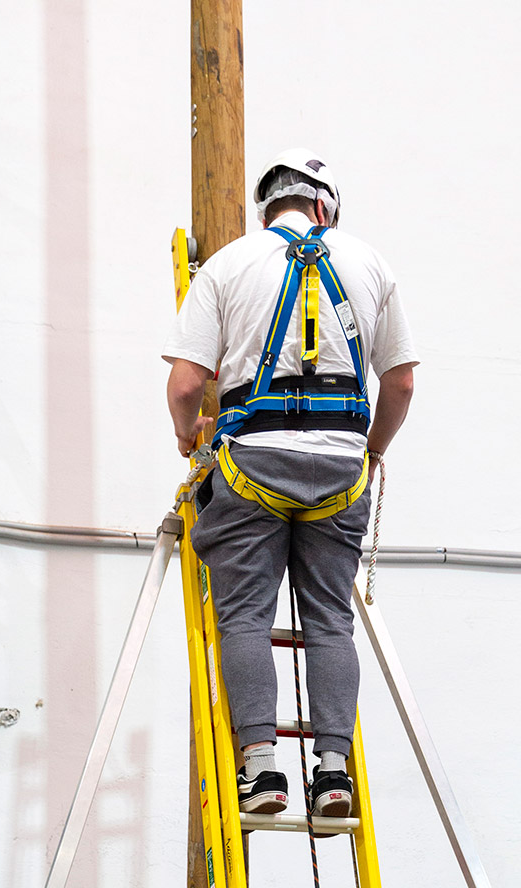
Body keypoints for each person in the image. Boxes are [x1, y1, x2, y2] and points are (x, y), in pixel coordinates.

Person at [163, 148, 419, 817]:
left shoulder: (227, 266)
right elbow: (401, 381)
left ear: (268, 206)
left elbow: (187, 383)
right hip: (340, 471)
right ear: (324, 207)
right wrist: (371, 452)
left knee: (245, 617)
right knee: (331, 621)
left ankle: (262, 770)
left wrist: (190, 438)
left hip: (252, 467)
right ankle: (334, 771)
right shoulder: (371, 263)